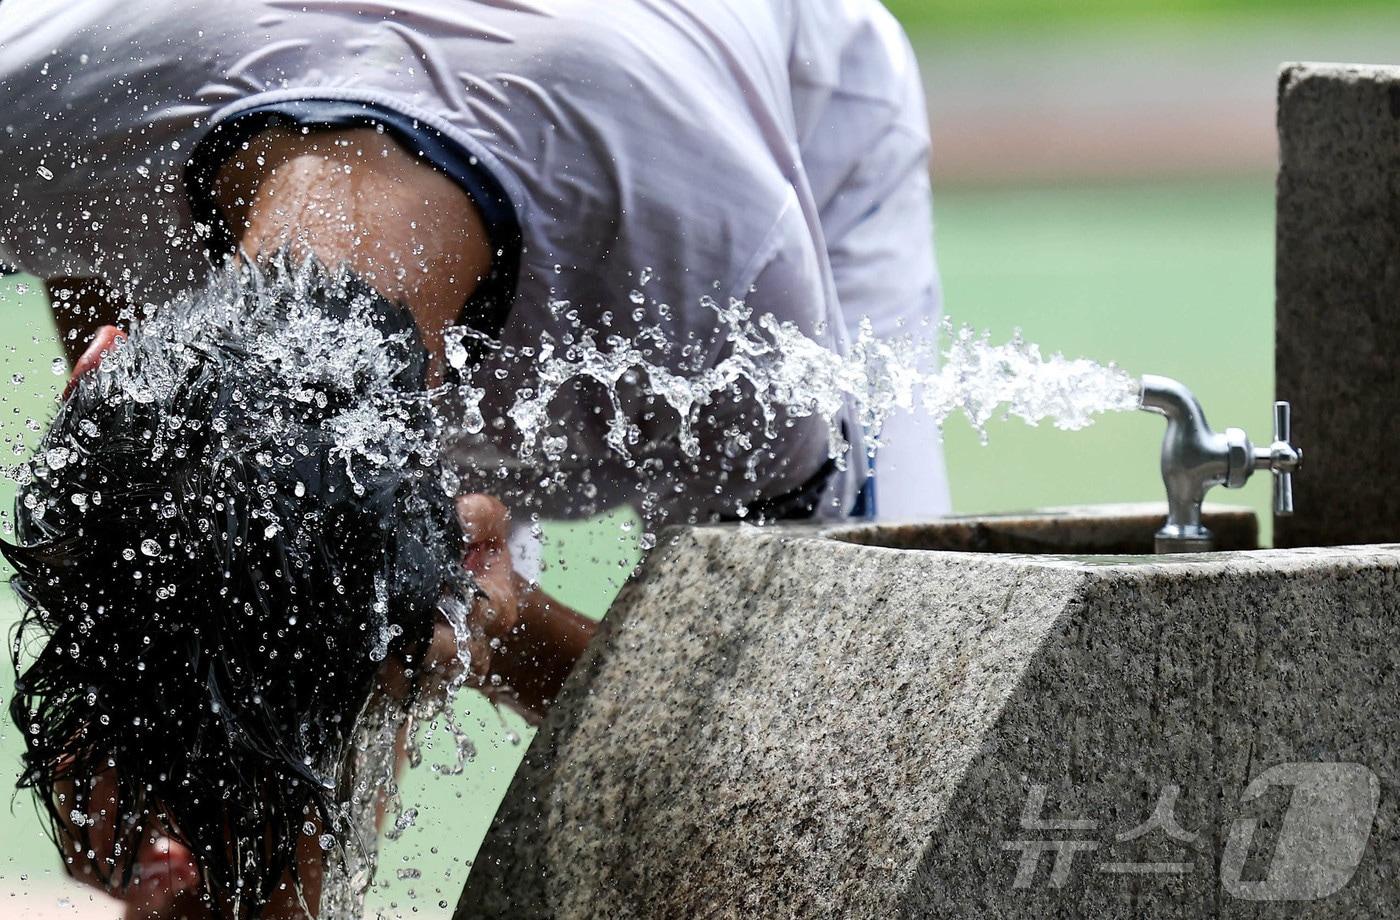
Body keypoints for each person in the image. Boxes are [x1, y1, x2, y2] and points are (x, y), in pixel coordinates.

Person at [0, 0, 950, 916]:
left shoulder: (732, 312)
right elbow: (77, 225)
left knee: (856, 824)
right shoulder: (37, 91)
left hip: (793, 120)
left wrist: (511, 628)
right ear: (103, 358)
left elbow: (796, 757)